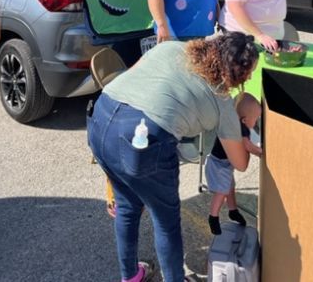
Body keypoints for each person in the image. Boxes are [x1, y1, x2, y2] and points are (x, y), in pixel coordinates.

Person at [87, 32, 259, 282]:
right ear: (237, 75)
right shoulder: (222, 101)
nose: (250, 78)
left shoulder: (171, 48)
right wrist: (245, 132)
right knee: (166, 222)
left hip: (100, 119)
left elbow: (131, 76)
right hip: (144, 142)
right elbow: (240, 163)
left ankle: (131, 276)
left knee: (127, 207)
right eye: (248, 73)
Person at [205, 93, 262, 235]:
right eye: (255, 119)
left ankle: (233, 210)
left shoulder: (234, 122)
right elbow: (248, 146)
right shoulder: (241, 128)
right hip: (219, 164)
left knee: (229, 187)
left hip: (225, 164)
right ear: (245, 120)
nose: (256, 123)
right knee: (222, 191)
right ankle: (213, 217)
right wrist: (262, 153)